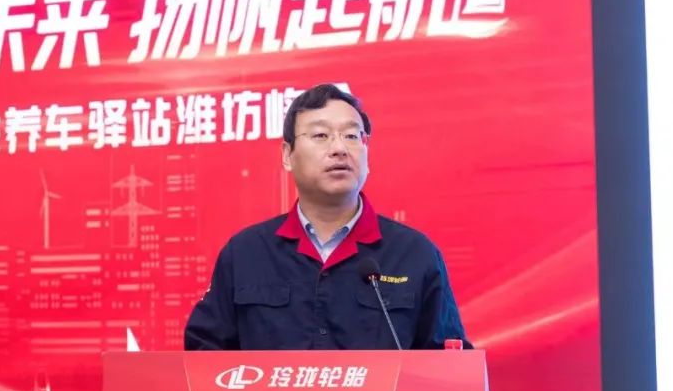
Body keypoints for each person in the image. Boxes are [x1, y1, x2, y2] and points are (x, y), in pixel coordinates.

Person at [184, 83, 468, 350]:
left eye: (352, 136)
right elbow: (204, 354)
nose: (339, 149)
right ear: (287, 155)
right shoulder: (246, 253)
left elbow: (448, 364)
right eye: (321, 135)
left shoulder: (415, 254)